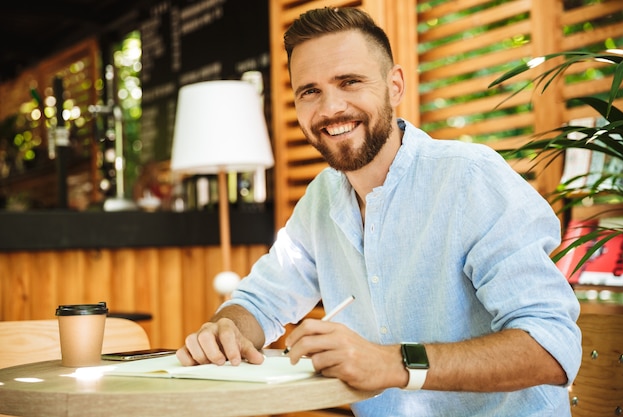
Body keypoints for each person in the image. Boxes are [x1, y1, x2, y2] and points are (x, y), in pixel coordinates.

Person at [177, 6, 581, 416]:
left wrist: (392, 363)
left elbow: (550, 345)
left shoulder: (470, 180)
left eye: (349, 82)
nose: (331, 107)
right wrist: (226, 327)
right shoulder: (320, 200)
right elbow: (260, 303)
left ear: (395, 86)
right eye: (310, 91)